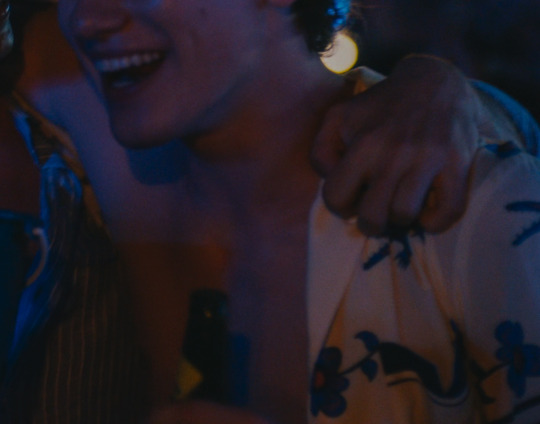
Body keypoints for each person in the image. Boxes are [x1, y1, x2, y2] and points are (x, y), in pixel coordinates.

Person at [1, 0, 539, 423]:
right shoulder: (77, 95)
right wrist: (436, 81)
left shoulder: (465, 212)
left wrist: (447, 89)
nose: (87, 19)